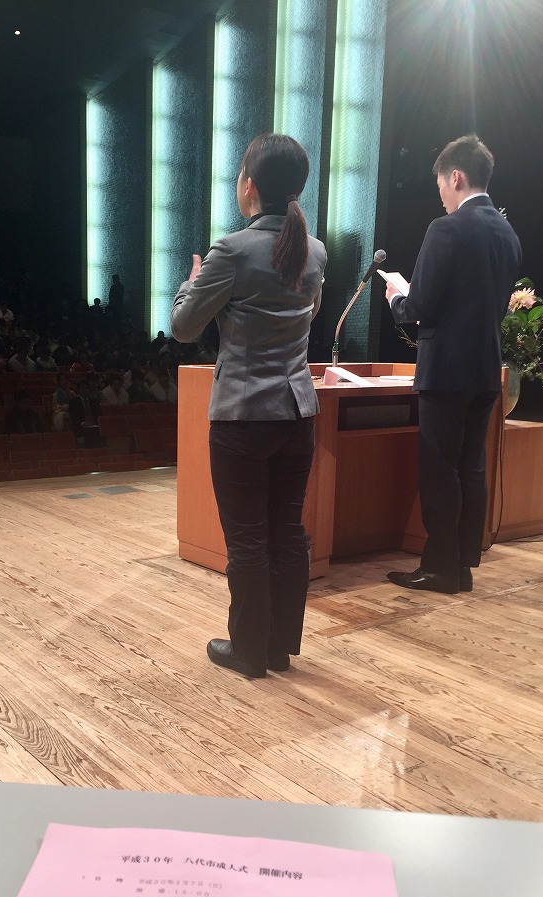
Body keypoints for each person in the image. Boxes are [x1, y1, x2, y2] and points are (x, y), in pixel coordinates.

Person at [170, 133, 327, 678]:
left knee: (247, 540)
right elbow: (308, 315)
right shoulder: (315, 251)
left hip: (242, 417)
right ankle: (278, 647)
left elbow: (183, 327)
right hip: (297, 414)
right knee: (287, 531)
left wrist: (191, 283)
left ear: (250, 185)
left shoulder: (231, 251)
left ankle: (248, 651)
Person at [384, 134, 521, 594]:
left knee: (440, 469)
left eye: (441, 184)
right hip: (485, 370)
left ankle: (440, 569)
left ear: (456, 177)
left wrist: (397, 296)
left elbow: (420, 306)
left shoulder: (446, 229)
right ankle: (461, 565)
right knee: (471, 467)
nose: (441, 194)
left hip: (445, 370)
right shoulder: (507, 233)